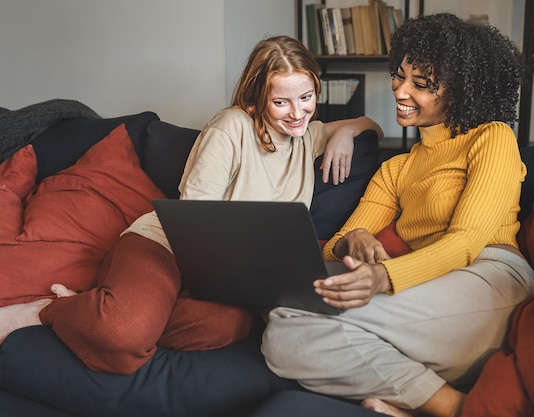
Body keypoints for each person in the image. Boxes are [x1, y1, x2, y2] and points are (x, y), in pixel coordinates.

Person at [0, 35, 383, 374]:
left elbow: (372, 126)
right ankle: (47, 311)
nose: (297, 113)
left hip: (228, 274)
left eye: (307, 97)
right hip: (167, 245)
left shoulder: (306, 135)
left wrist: (349, 129)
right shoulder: (232, 127)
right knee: (123, 334)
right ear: (257, 96)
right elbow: (195, 226)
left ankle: (100, 308)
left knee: (228, 326)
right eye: (280, 101)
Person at [261, 13, 534, 417]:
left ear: (461, 91)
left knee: (291, 324)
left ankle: (461, 411)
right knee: (286, 327)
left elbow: (465, 242)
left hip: (492, 282)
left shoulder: (491, 138)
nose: (399, 89)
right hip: (429, 290)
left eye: (420, 83)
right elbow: (337, 243)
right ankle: (442, 404)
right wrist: (351, 240)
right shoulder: (397, 168)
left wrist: (384, 276)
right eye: (399, 74)